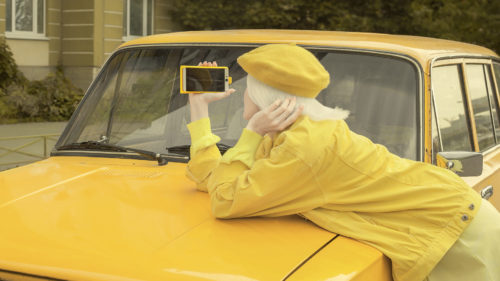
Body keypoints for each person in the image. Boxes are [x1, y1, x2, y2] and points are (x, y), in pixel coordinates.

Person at [184, 44, 500, 281]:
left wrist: (251, 132)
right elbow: (216, 181)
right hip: (441, 222)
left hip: (455, 231)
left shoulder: (303, 149)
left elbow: (225, 200)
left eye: (248, 89)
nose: (242, 95)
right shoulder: (286, 137)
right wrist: (199, 109)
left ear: (267, 98)